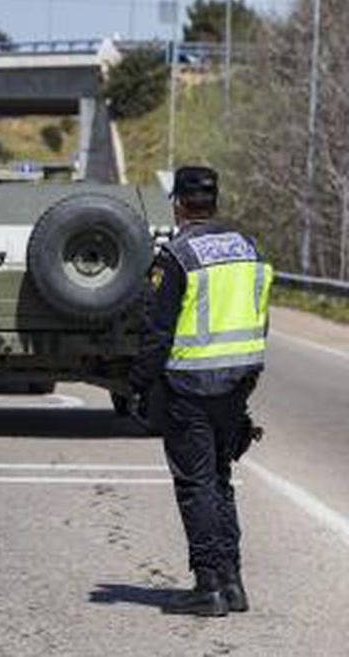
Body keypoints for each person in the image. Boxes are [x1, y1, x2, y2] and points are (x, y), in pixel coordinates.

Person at [129, 166, 273, 617]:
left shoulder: (177, 256)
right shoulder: (247, 248)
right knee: (220, 480)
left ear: (178, 203)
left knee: (196, 485)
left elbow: (156, 332)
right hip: (237, 382)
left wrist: (137, 386)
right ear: (215, 200)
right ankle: (232, 583)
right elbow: (260, 315)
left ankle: (207, 583)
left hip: (189, 385)